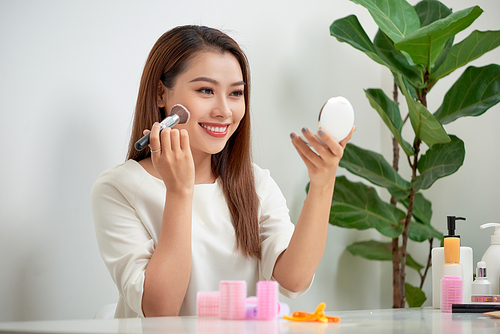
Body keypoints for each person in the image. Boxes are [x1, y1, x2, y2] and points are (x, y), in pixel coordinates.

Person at [91, 25, 354, 318]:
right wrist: (179, 191)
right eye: (206, 90)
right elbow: (160, 310)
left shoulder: (256, 184)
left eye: (236, 93)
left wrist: (322, 182)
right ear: (160, 95)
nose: (224, 110)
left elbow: (294, 280)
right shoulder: (118, 188)